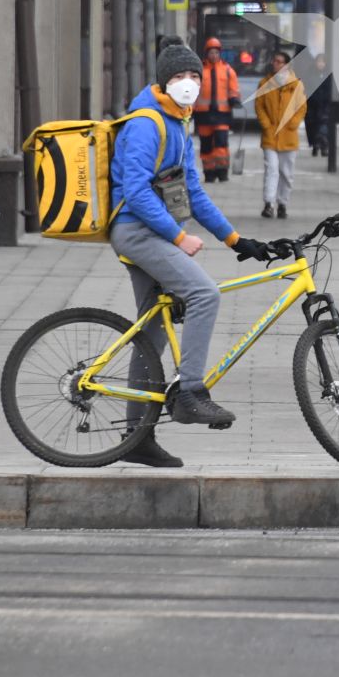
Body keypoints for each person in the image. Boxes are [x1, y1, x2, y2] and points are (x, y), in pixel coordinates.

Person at [108, 39, 270, 466]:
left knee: (152, 337)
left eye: (194, 77)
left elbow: (193, 192)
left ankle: (136, 439)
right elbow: (136, 191)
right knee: (204, 294)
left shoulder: (178, 121)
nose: (188, 84)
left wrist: (235, 240)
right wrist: (179, 239)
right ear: (163, 81)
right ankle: (190, 393)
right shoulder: (148, 123)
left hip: (151, 232)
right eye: (179, 76)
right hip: (137, 232)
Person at [253, 49, 306, 219]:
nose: (275, 64)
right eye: (274, 61)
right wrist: (266, 124)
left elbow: (302, 106)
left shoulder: (296, 84)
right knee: (272, 169)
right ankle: (268, 203)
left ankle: (282, 203)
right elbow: (259, 105)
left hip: (289, 135)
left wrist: (294, 123)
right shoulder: (264, 83)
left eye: (279, 61)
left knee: (286, 172)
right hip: (270, 135)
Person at [194, 37, 240, 182]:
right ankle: (209, 173)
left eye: (216, 52)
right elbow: (193, 91)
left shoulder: (228, 70)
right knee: (206, 145)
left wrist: (234, 99)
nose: (213, 55)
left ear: (220, 53)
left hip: (222, 113)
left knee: (221, 143)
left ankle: (222, 172)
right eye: (211, 53)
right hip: (203, 114)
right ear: (206, 54)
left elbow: (233, 89)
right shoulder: (199, 71)